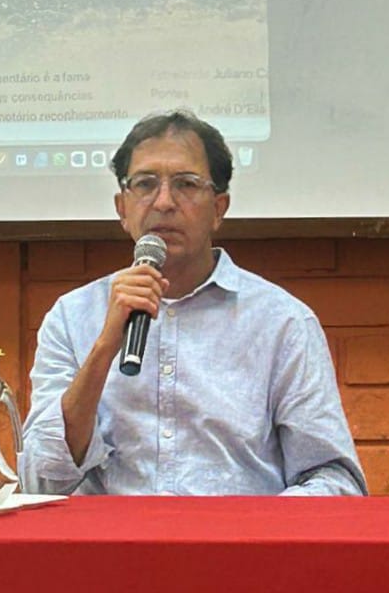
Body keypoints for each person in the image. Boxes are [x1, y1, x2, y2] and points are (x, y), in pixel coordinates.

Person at [19, 109, 366, 496]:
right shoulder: (72, 317)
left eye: (185, 184)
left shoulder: (281, 322)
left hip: (237, 545)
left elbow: (336, 480)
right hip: (111, 550)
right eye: (146, 184)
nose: (164, 202)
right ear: (122, 209)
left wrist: (254, 533)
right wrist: (103, 349)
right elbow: (40, 481)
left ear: (219, 208)